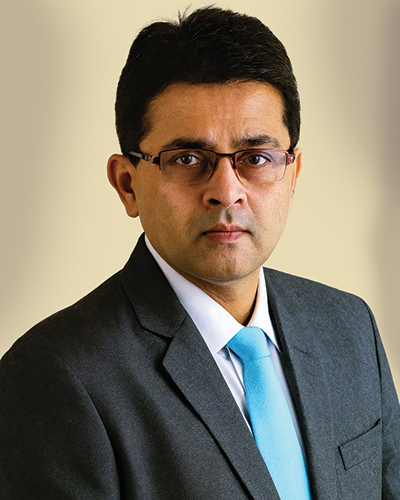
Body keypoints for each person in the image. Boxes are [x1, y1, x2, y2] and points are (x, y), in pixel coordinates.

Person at [0, 6, 399, 500]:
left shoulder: (349, 328)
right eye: (187, 158)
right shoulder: (56, 377)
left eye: (256, 158)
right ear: (127, 184)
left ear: (292, 175)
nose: (226, 192)